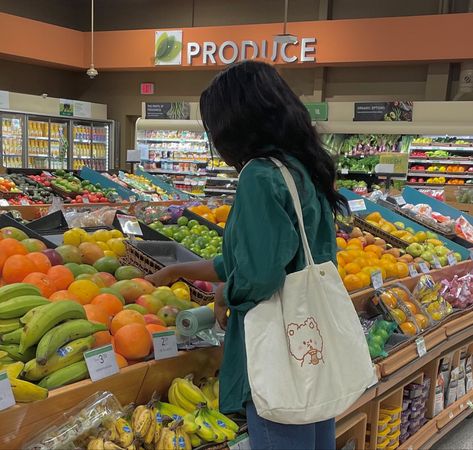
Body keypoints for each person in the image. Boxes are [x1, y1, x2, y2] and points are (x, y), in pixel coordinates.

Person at [146, 60, 347, 450]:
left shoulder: (259, 175)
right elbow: (269, 257)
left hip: (276, 351)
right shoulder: (303, 169)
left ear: (235, 123)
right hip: (309, 344)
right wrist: (177, 270)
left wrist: (225, 294)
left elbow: (259, 275)